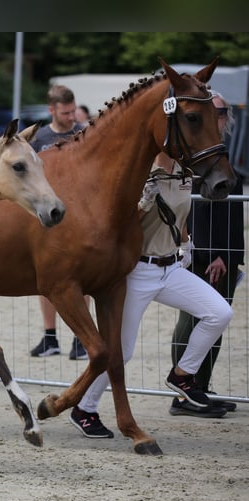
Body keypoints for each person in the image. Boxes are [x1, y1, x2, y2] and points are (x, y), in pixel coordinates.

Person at [71, 151, 234, 438]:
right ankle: (84, 408)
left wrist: (186, 245)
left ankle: (182, 375)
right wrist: (144, 202)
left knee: (220, 313)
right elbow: (118, 224)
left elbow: (179, 214)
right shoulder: (140, 171)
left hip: (171, 267)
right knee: (122, 349)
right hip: (137, 271)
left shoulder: (184, 172)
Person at [170, 92, 244, 415]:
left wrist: (227, 256)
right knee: (191, 322)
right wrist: (210, 252)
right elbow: (193, 213)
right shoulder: (194, 158)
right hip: (204, 254)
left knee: (216, 324)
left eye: (223, 112)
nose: (220, 117)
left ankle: (200, 386)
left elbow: (231, 215)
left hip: (227, 254)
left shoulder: (222, 153)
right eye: (213, 111)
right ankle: (184, 391)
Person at [28, 85, 90, 360]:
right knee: (45, 280)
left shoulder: (83, 134)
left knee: (83, 279)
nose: (71, 117)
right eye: (65, 113)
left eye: (72, 111)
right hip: (47, 217)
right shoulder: (39, 138)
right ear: (51, 110)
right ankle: (50, 337)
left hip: (79, 215)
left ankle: (81, 338)